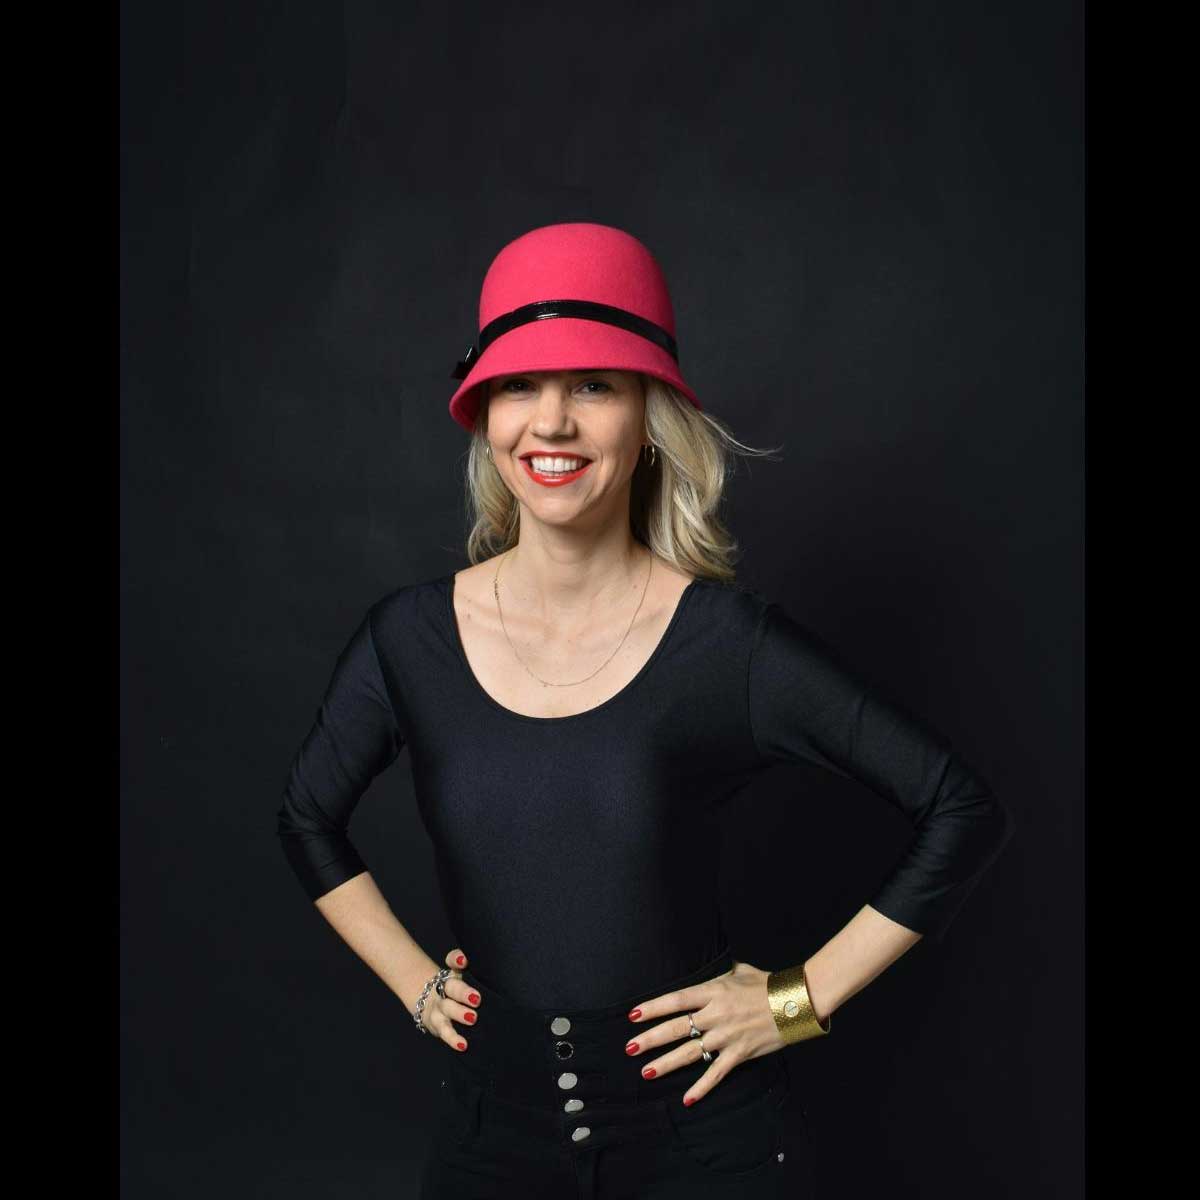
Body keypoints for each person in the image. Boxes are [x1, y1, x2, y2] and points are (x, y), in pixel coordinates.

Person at [275, 221, 1016, 1199]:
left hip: (703, 1146)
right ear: (485, 414)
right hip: (490, 1140)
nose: (551, 423)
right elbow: (307, 818)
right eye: (519, 385)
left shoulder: (729, 646)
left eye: (593, 385)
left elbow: (961, 807)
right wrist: (418, 985)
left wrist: (794, 1002)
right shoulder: (407, 639)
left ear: (649, 416)